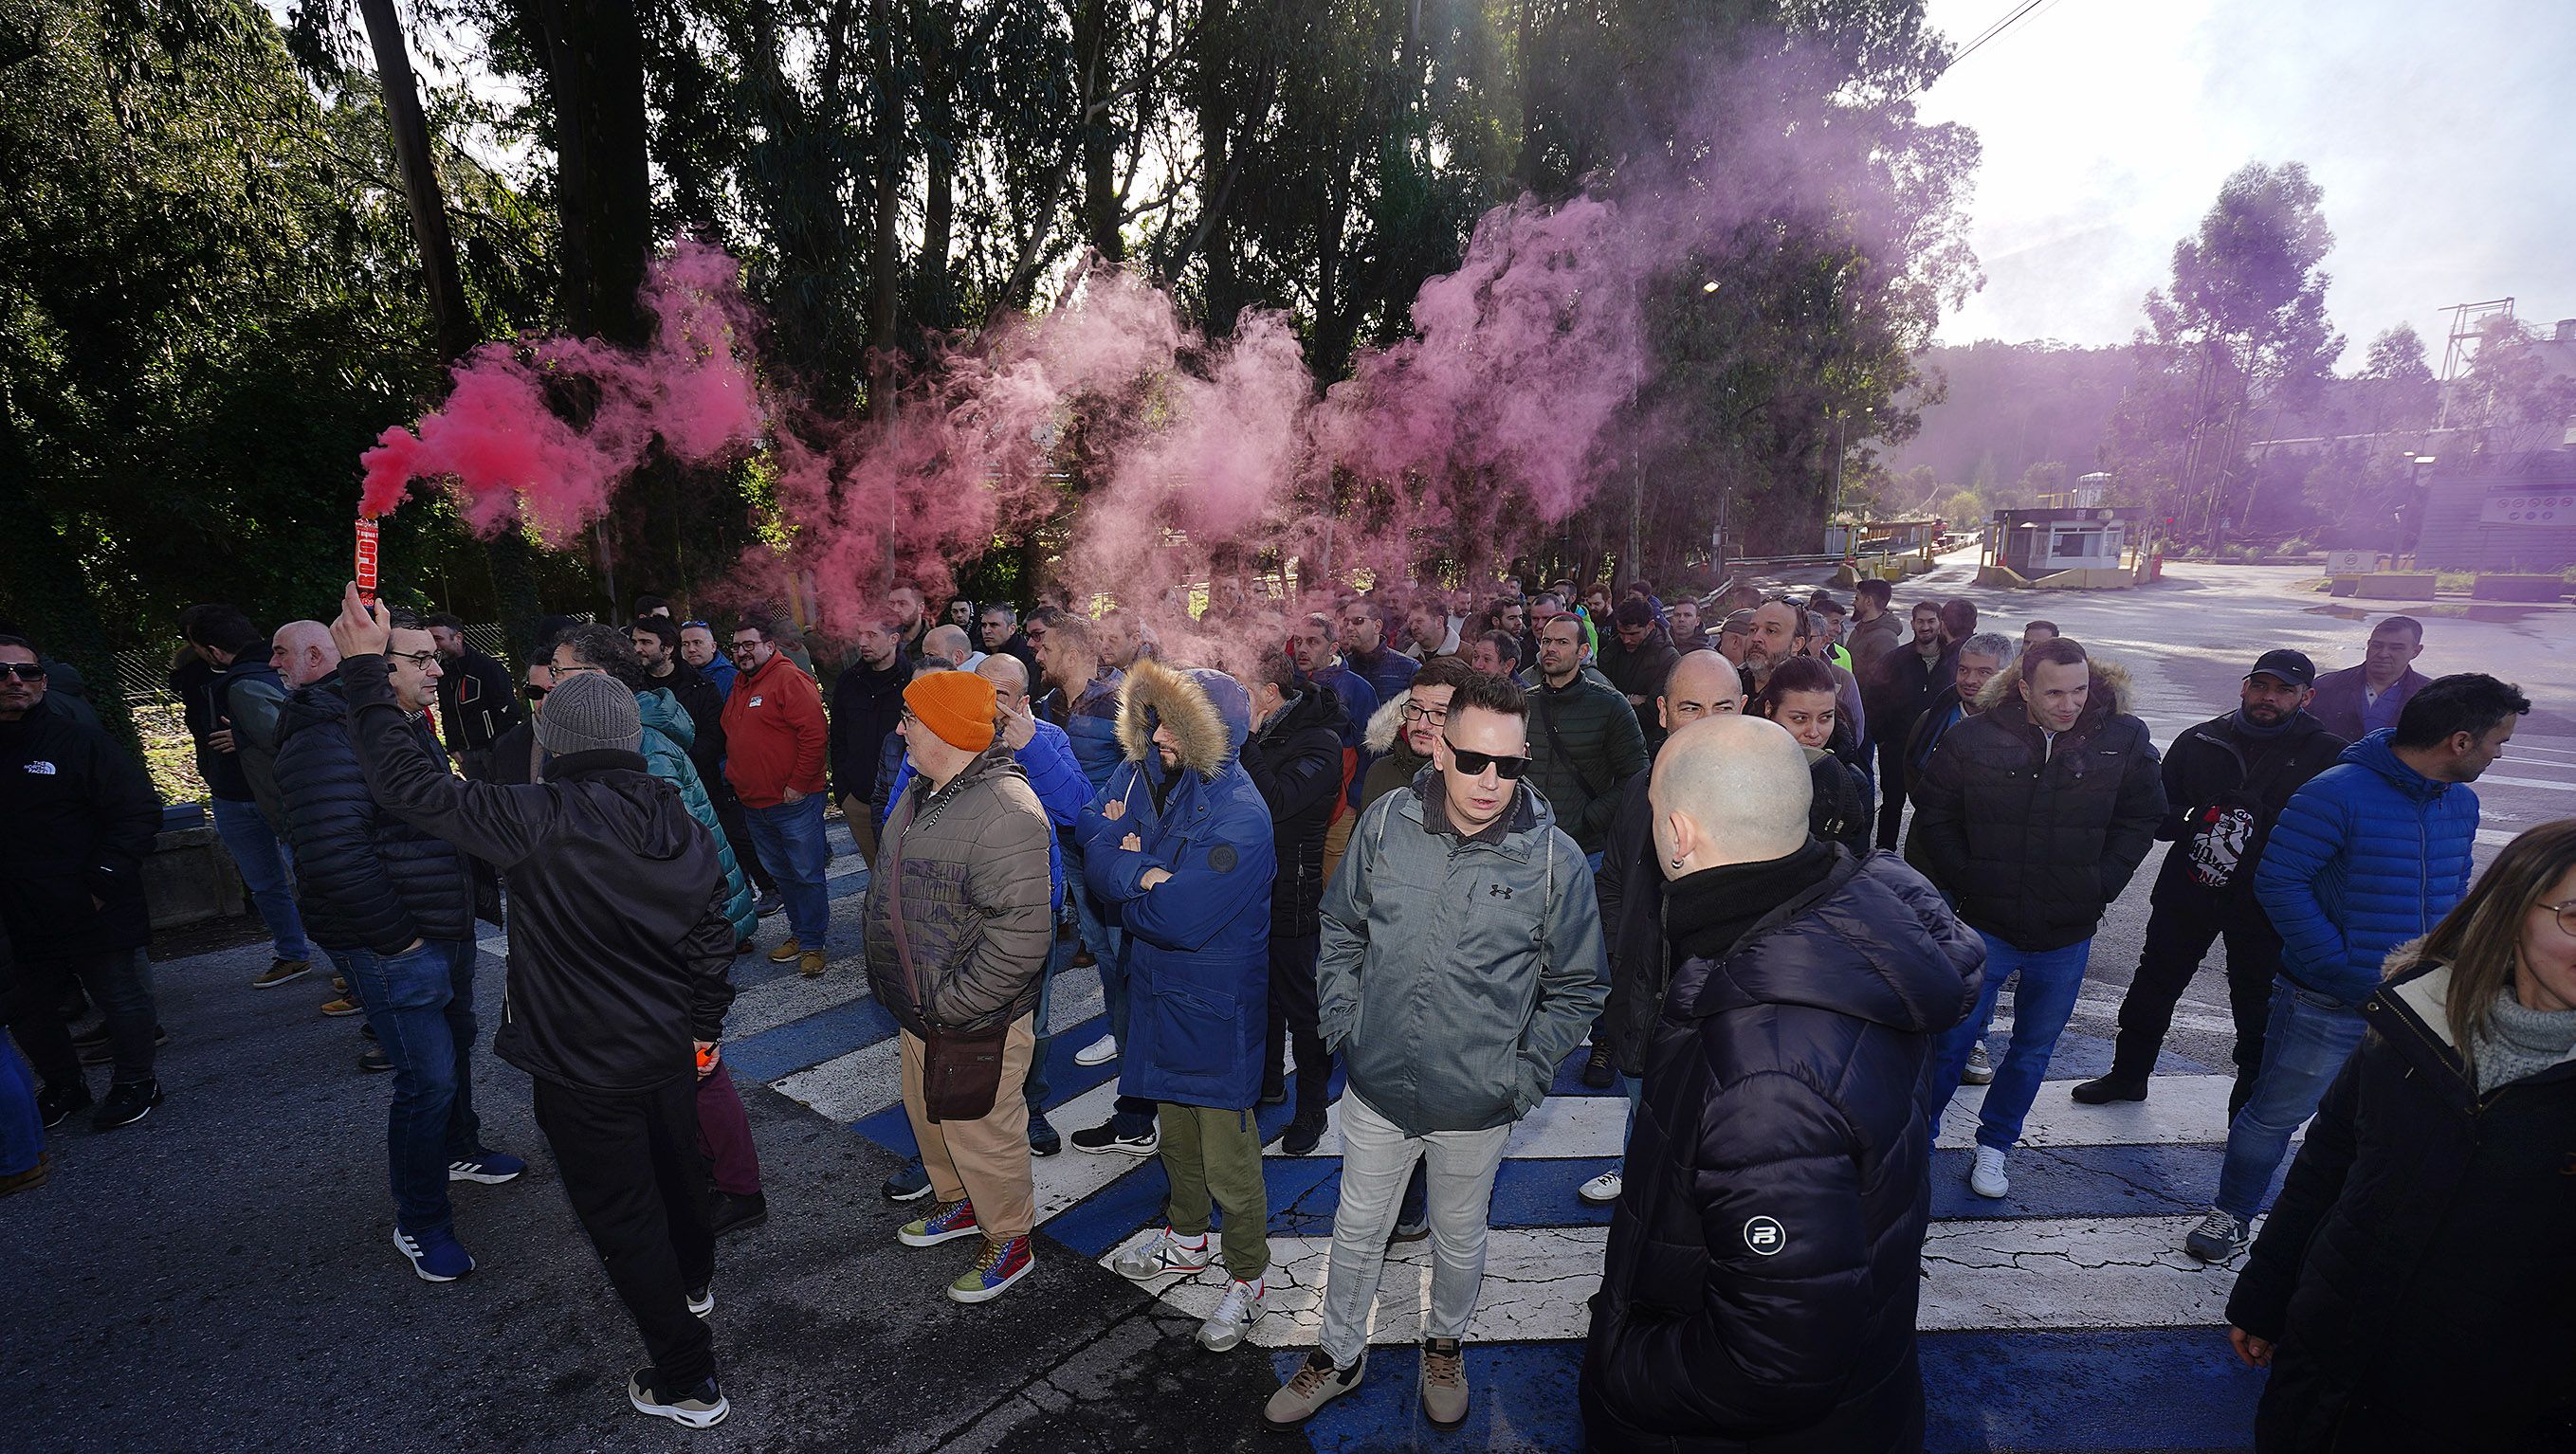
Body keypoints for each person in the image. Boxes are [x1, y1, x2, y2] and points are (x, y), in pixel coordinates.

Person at [331, 592, 740, 1428]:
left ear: (551, 743)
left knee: (623, 1216)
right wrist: (703, 1026)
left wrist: (368, 675)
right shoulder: (681, 827)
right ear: (629, 740)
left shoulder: (537, 818)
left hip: (580, 1064)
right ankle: (692, 1285)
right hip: (664, 1048)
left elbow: (409, 787)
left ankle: (687, 1378)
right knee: (678, 1179)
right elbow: (710, 940)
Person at [1580, 714, 1981, 1453]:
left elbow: (1771, 1364)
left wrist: (1620, 1362)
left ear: (1677, 834)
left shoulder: (1763, 1076)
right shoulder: (1844, 933)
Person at [1266, 672, 1606, 1430]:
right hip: (1377, 1088)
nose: (1491, 782)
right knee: (1356, 1231)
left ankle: (1443, 1344)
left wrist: (1519, 1078)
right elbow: (1342, 929)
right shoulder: (1384, 825)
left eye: (1510, 766)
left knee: (1458, 1238)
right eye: (1475, 760)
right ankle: (1337, 1352)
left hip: (1477, 1103)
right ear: (1439, 749)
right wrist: (1345, 1026)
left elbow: (1580, 987)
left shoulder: (1554, 862)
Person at [2222, 820, 2576, 1452]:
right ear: (2512, 909)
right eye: (2575, 915)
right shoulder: (2414, 1020)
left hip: (2485, 1413)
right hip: (2324, 1364)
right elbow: (2329, 1164)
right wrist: (2265, 1296)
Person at [2183, 672, 2524, 1263]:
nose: (2501, 754)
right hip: (2327, 997)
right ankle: (2231, 1214)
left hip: (2421, 1003)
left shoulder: (2461, 802)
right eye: (2499, 741)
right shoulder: (2335, 791)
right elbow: (2279, 882)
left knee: (2386, 1126)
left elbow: (2452, 889)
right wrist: (2336, 967)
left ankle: (2339, 1224)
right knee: (2275, 1114)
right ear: (2461, 742)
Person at [273, 607, 524, 1276]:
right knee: (426, 1081)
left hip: (441, 925)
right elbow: (330, 857)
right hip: (396, 942)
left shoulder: (403, 724)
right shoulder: (326, 737)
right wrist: (400, 942)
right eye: (420, 659)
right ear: (372, 667)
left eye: (433, 656)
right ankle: (421, 1221)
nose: (438, 668)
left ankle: (459, 1151)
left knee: (456, 1051)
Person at [1909, 637, 2164, 1200]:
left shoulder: (2123, 739)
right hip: (1985, 926)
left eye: (2079, 691)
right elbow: (1935, 811)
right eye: (2054, 692)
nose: (2069, 704)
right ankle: (1917, 1145)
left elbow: (2143, 815)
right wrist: (1969, 877)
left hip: (2066, 933)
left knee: (2031, 1051)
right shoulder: (1974, 737)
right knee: (1951, 1043)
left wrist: (2101, 884)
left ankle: (1995, 1146)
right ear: (2024, 688)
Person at [1090, 660, 1280, 1353]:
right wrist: (1142, 870)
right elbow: (1097, 850)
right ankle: (1187, 1240)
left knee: (1227, 1151)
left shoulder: (1241, 814)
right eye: (1154, 718)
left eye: (1172, 722)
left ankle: (1249, 1276)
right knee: (1175, 1135)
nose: (1156, 733)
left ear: (1212, 730)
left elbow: (1179, 918)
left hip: (1212, 1004)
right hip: (1165, 994)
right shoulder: (1167, 782)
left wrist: (1132, 873)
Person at [2071, 651, 2346, 1112]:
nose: (2269, 698)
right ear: (2244, 687)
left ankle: (2248, 1105)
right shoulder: (2201, 739)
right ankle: (2127, 1076)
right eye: (2260, 686)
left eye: (2283, 691)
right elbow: (2156, 812)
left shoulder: (2327, 753)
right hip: (2190, 888)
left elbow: (2334, 832)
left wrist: (2265, 830)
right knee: (2153, 986)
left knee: (2256, 1003)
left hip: (2266, 900)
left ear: (2307, 696)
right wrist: (2201, 820)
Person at [868, 671, 1055, 1306]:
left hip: (971, 1015)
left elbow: (1022, 938)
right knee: (931, 1115)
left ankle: (1009, 1237)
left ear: (946, 727)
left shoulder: (1005, 810)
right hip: (922, 1007)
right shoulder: (926, 791)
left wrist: (954, 1006)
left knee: (982, 1127)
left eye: (910, 718)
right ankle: (960, 1204)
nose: (901, 729)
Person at [875, 657, 1089, 1174]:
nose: (990, 706)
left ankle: (1024, 1110)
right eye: (981, 693)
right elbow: (896, 829)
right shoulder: (932, 749)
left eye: (1004, 695)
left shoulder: (1048, 739)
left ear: (1023, 701)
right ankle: (950, 1157)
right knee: (938, 1063)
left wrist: (1030, 748)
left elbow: (1079, 810)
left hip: (1024, 909)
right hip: (942, 915)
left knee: (1015, 1029)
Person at [1579, 648, 1744, 1207]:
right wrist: (1616, 961)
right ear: (1664, 714)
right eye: (1691, 707)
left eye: (1722, 707)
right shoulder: (1639, 792)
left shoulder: (1772, 794)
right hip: (1642, 1004)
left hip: (1728, 1011)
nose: (1708, 723)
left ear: (1744, 708)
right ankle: (1636, 1169)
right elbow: (1614, 884)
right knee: (1645, 1110)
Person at [0, 635, 167, 1133]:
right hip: (16, 910)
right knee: (30, 1009)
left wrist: (102, 880)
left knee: (120, 997)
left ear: (43, 683)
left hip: (91, 901)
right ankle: (65, 1086)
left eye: (26, 672)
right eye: (2, 671)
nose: (15, 680)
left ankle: (137, 1082)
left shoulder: (80, 742)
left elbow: (138, 813)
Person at [1238, 645, 1349, 1156]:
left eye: (1239, 692)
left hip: (1293, 893)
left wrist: (1245, 740)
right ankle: (1267, 1085)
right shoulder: (1269, 732)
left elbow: (1277, 801)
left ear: (1268, 694)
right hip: (1248, 891)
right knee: (1258, 1000)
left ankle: (1312, 1110)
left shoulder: (1320, 742)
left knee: (1303, 1009)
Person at [184, 606, 317, 990]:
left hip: (280, 794)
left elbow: (296, 730)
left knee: (315, 880)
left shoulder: (277, 670)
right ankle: (293, 954)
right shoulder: (196, 677)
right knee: (265, 884)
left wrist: (242, 737)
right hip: (231, 796)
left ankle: (350, 961)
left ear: (213, 649)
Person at [1032, 616, 1131, 1079]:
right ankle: (1119, 1025)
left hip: (1111, 847)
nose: (1038, 655)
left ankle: (1132, 1035)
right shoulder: (1047, 704)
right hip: (1068, 845)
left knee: (1121, 945)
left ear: (1071, 655)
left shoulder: (1119, 702)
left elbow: (1145, 769)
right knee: (1097, 943)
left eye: (1045, 648)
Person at [634, 615, 774, 912]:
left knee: (727, 844)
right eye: (635, 642)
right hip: (656, 790)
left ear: (666, 648)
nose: (638, 649)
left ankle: (750, 903)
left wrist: (680, 760)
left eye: (645, 642)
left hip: (707, 784)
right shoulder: (634, 690)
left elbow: (717, 735)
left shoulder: (701, 685)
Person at [720, 618, 831, 977]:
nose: (741, 652)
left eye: (749, 644)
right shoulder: (740, 684)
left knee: (806, 873)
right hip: (755, 803)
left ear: (770, 646)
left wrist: (798, 783)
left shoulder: (788, 678)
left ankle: (813, 943)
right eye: (736, 646)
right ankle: (801, 934)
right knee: (783, 875)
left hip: (793, 802)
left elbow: (815, 734)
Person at [1520, 614, 1649, 874]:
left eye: (1562, 642)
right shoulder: (1522, 704)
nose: (1551, 649)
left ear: (1583, 651)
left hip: (1586, 849)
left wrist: (1590, 819)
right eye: (1546, 641)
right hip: (1526, 842)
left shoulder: (1610, 705)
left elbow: (1637, 776)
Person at [1290, 610, 1379, 885]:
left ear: (1333, 648)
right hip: (1294, 803)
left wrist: (1354, 801)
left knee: (1331, 882)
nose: (1302, 649)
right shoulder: (1289, 684)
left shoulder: (1357, 689)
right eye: (1298, 641)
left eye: (1313, 642)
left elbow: (1372, 749)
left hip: (1339, 808)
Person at [1753, 655, 1873, 856]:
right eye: (1799, 719)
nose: (1814, 732)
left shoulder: (1852, 783)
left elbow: (1855, 860)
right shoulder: (1739, 765)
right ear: (1769, 709)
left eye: (1826, 718)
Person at [831, 614, 916, 865]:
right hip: (858, 800)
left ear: (893, 639)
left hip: (904, 798)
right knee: (878, 872)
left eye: (871, 635)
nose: (862, 642)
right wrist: (843, 791)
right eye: (860, 634)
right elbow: (838, 738)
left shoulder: (912, 679)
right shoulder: (849, 680)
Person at [1865, 600, 1950, 850]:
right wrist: (1882, 739)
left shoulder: (1953, 661)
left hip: (1938, 751)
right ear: (1912, 623)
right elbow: (1874, 699)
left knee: (1935, 808)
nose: (1925, 627)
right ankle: (1884, 857)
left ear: (1940, 623)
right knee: (1892, 804)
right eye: (1920, 621)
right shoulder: (1895, 660)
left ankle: (1928, 859)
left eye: (1931, 621)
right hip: (1896, 750)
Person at [1743, 600, 1865, 747]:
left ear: (1797, 644)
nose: (1756, 638)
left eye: (1771, 631)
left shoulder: (1834, 689)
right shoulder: (1730, 687)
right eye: (1752, 630)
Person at [2305, 614, 2432, 744]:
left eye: (2396, 648)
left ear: (2416, 651)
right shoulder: (2325, 687)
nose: (2383, 654)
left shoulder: (2430, 696)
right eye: (2377, 645)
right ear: (2368, 644)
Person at [424, 613, 522, 780]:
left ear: (458, 638)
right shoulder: (443, 671)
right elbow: (447, 711)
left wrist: (497, 746)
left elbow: (509, 710)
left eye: (438, 639)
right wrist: (453, 747)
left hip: (491, 751)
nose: (435, 645)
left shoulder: (487, 667)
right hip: (466, 754)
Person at [1596, 598, 1682, 749]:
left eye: (1633, 634)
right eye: (1622, 633)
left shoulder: (1667, 658)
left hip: (1646, 744)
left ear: (1650, 626)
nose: (1626, 640)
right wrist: (1630, 700)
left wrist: (1616, 702)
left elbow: (1653, 713)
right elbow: (1597, 697)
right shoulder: (1612, 649)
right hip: (1610, 740)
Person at [1337, 597, 1419, 707]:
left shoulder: (1409, 668)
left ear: (1377, 626)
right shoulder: (1341, 667)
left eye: (1358, 621)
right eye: (1346, 622)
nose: (1349, 627)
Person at [1847, 577, 1901, 682]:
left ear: (1868, 601)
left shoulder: (1885, 638)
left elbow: (1881, 682)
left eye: (1857, 599)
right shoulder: (1859, 629)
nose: (1853, 603)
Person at [978, 603, 1041, 684]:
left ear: (1012, 629)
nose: (987, 631)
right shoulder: (978, 652)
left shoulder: (1029, 657)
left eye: (994, 625)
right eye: (983, 625)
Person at [681, 621, 735, 700]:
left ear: (713, 647)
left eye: (697, 642)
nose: (691, 649)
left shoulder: (731, 679)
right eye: (685, 644)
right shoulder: (679, 676)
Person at [888, 584, 932, 662]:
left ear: (920, 608)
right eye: (891, 604)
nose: (895, 609)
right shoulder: (881, 641)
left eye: (902, 603)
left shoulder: (934, 644)